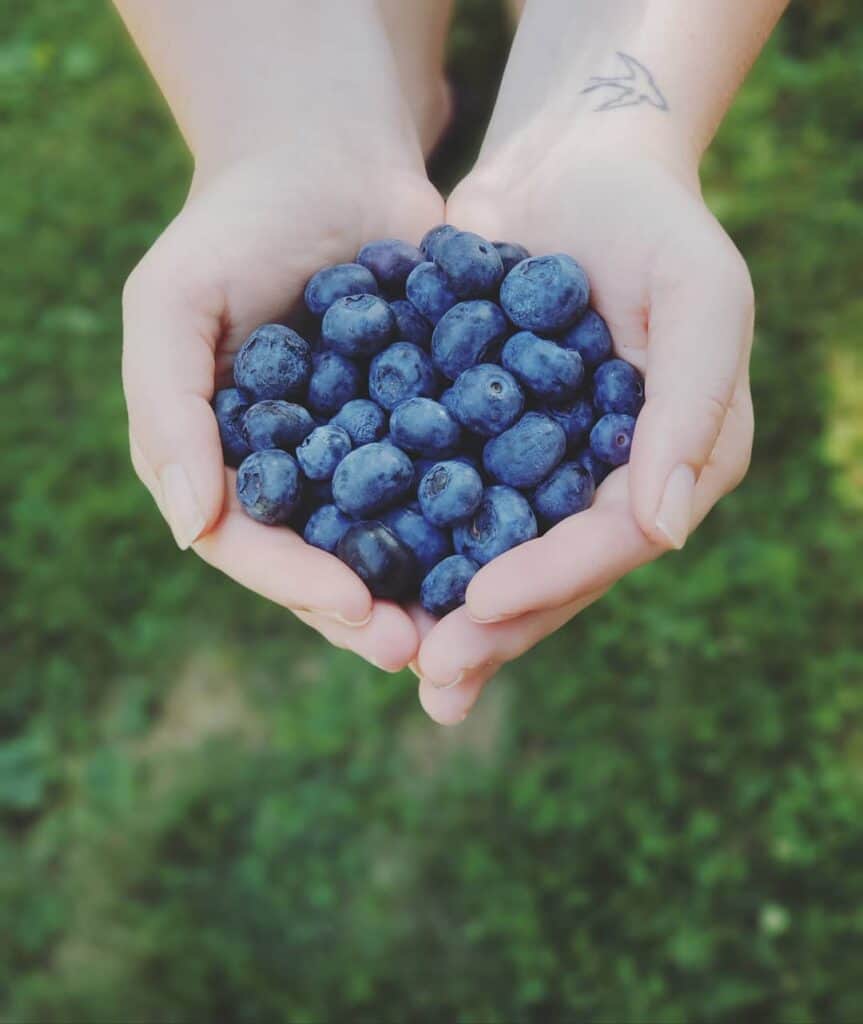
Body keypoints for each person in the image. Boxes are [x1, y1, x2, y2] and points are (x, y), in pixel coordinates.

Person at [115, 0, 788, 725]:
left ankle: (504, 69)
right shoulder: (383, 396)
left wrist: (615, 136)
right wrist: (284, 134)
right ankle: (395, 100)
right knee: (386, 64)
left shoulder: (473, 384)